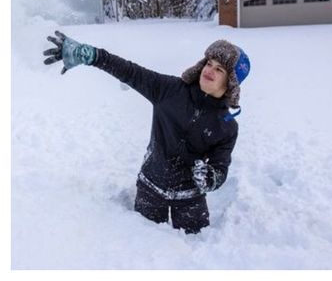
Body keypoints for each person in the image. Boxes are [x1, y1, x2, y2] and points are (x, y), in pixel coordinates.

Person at [42, 31, 250, 234]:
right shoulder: (170, 90)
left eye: (219, 69)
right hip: (150, 189)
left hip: (190, 200)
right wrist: (93, 55)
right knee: (140, 248)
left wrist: (210, 178)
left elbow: (220, 167)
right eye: (208, 63)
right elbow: (130, 71)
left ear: (230, 82)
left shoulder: (227, 126)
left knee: (194, 256)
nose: (209, 70)